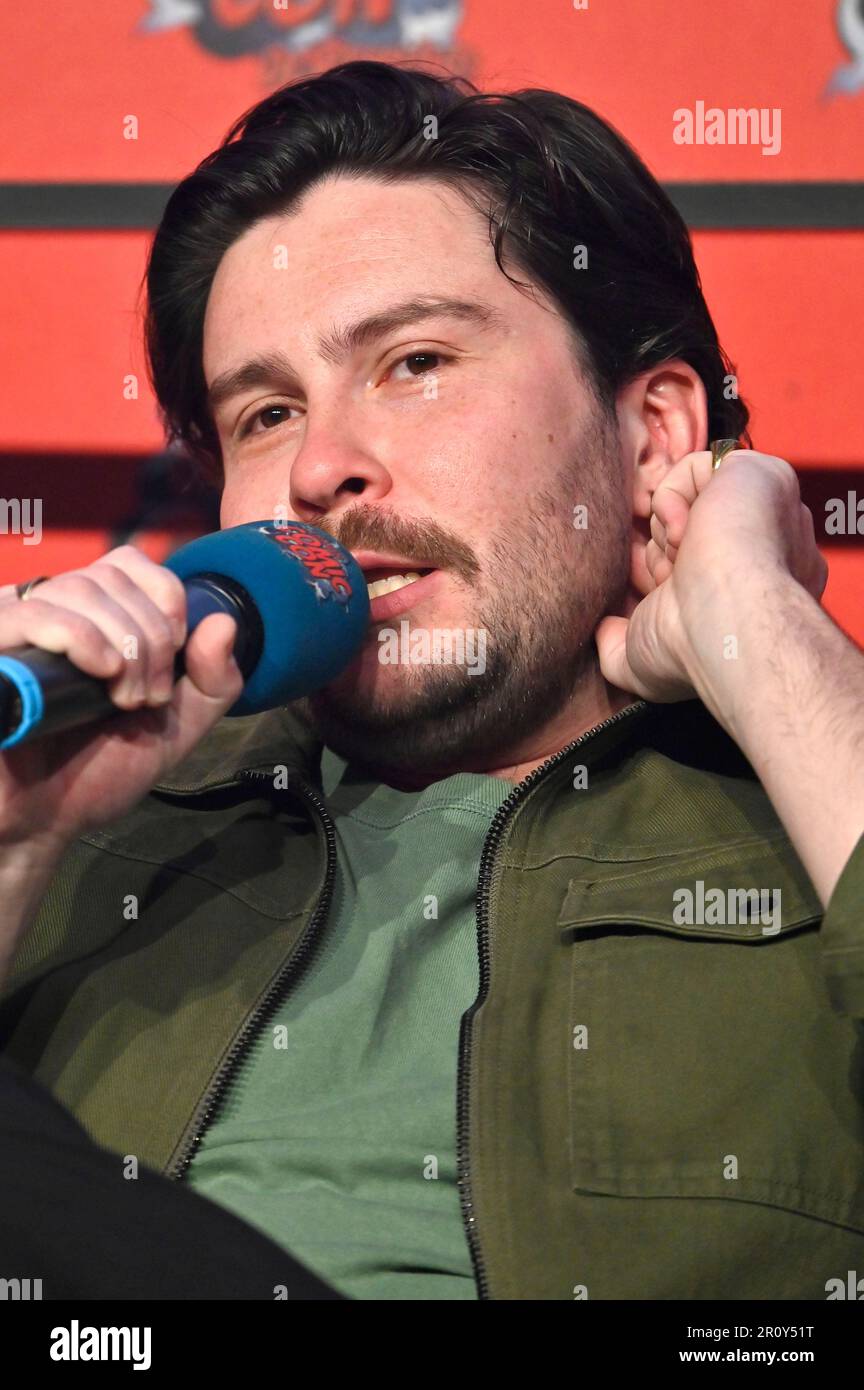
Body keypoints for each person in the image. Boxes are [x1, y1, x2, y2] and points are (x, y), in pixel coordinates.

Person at [0, 60, 862, 1302]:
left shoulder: (812, 817)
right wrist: (20, 839)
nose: (322, 468)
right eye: (266, 413)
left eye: (413, 362)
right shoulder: (95, 816)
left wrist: (761, 631)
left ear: (655, 436)